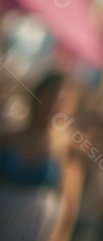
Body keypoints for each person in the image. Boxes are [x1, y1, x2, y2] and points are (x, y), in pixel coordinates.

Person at [0, 71, 84, 241]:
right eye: (50, 96)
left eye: (63, 101)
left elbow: (68, 215)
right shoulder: (8, 139)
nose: (55, 105)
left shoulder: (68, 152)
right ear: (36, 96)